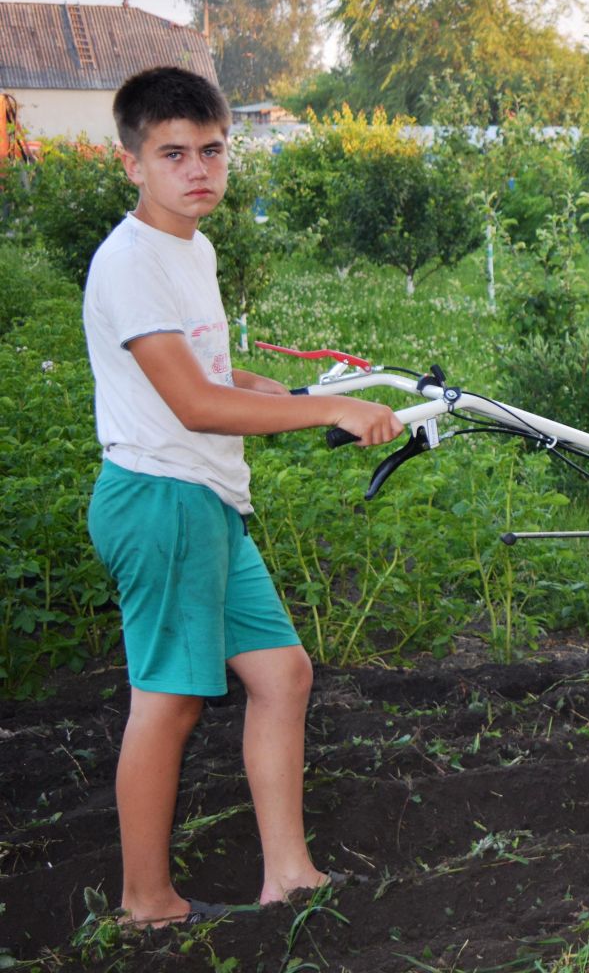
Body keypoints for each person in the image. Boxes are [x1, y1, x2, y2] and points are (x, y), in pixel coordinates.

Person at [83, 65, 403, 928]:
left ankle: (289, 875)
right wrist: (327, 410)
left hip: (206, 501)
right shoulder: (132, 265)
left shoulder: (192, 247)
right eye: (173, 153)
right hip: (162, 499)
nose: (198, 170)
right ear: (132, 164)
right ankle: (146, 903)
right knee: (170, 700)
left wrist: (311, 395)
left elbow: (217, 376)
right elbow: (193, 406)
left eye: (212, 151)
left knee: (282, 674)